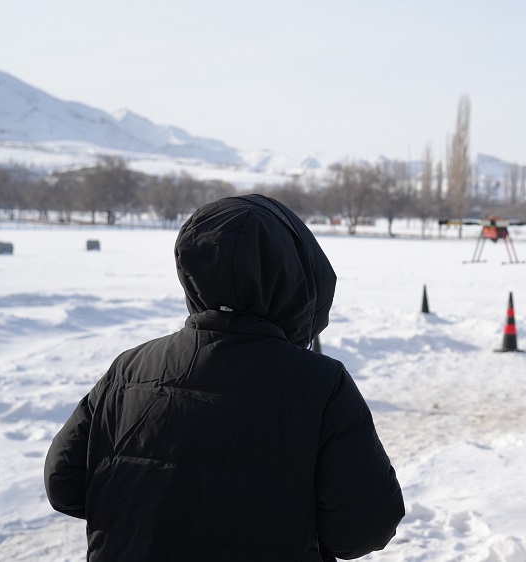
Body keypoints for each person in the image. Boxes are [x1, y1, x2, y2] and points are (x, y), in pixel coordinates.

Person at [45, 194, 404, 561]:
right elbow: (364, 528)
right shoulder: (321, 384)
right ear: (298, 279)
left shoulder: (128, 370)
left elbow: (64, 484)